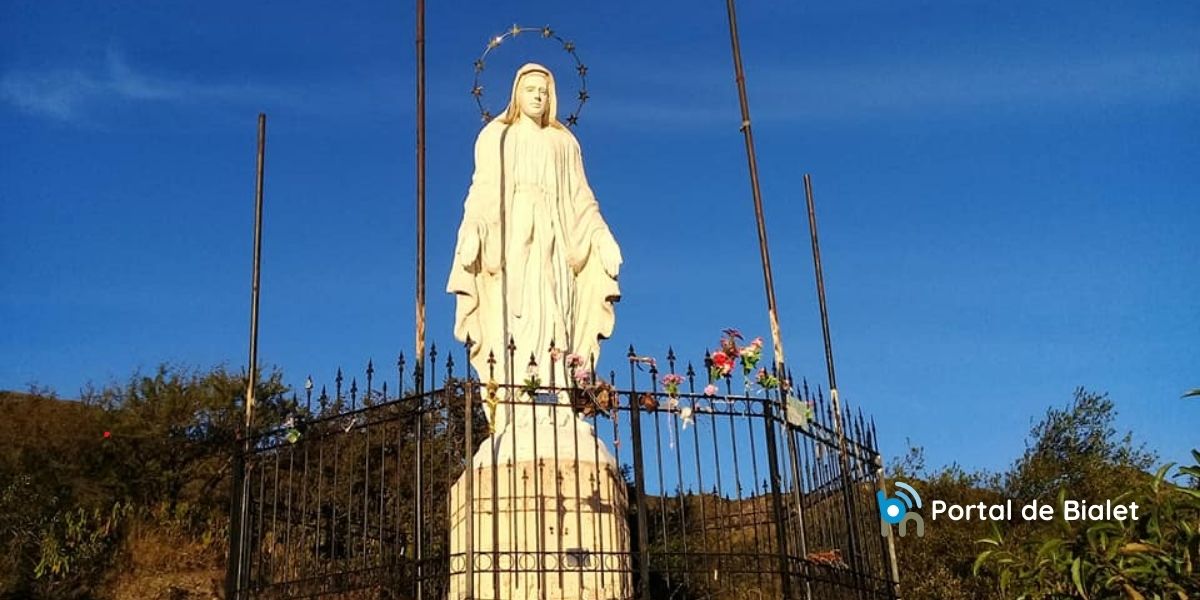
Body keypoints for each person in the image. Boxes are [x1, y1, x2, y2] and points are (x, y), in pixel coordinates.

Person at [447, 63, 621, 430]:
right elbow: (482, 190)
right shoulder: (496, 136)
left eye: (544, 90)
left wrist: (601, 236)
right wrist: (474, 229)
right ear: (516, 93)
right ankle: (518, 403)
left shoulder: (564, 142)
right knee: (516, 318)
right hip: (512, 242)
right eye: (531, 89)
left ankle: (559, 399)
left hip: (557, 240)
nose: (538, 96)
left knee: (556, 314)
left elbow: (582, 198)